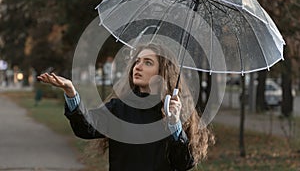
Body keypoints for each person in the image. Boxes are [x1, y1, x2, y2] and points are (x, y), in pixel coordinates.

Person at [37, 43, 214, 171]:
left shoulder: (173, 113)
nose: (138, 67)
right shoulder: (119, 108)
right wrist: (71, 93)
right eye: (137, 61)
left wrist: (174, 125)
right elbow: (86, 127)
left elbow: (183, 163)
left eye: (148, 62)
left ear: (162, 72)